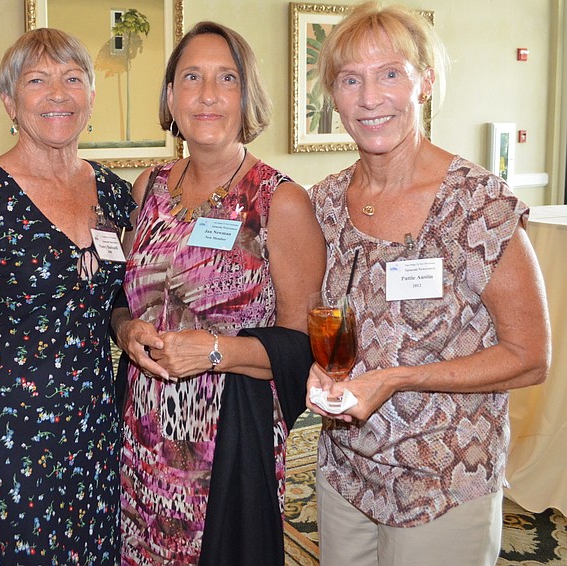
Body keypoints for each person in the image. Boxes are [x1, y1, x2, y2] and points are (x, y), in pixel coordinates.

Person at [306, 3, 551, 565]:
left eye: (390, 73)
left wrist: (396, 379)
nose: (370, 98)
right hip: (346, 474)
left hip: (445, 481)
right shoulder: (323, 204)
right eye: (351, 79)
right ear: (333, 95)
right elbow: (315, 320)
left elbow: (531, 356)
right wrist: (314, 366)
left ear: (426, 82)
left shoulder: (476, 205)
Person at [112, 21, 325, 565]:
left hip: (228, 435)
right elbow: (125, 300)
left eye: (226, 79)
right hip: (140, 433)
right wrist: (126, 330)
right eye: (191, 78)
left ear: (246, 94)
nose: (207, 95)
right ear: (170, 96)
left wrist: (212, 351)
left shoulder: (281, 202)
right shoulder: (149, 188)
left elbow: (304, 346)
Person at [0, 28, 135, 565]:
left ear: (91, 95)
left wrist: (129, 327)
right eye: (37, 81)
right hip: (10, 448)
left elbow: (113, 300)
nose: (58, 94)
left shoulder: (114, 192)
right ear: (9, 102)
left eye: (73, 79)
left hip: (94, 437)